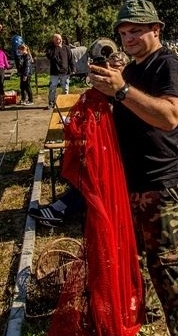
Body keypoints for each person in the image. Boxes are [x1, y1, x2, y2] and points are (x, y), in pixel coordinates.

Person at [89, 0, 178, 336]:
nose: (128, 38)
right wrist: (108, 87)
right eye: (124, 33)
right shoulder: (133, 69)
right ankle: (148, 315)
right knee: (138, 267)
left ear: (156, 29)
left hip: (161, 193)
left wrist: (121, 90)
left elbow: (169, 116)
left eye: (136, 31)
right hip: (130, 190)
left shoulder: (169, 67)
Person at [29, 51, 130, 227]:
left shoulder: (127, 93)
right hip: (103, 148)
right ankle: (60, 207)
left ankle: (60, 210)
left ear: (125, 69)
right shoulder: (102, 91)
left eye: (117, 67)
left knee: (94, 175)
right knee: (86, 168)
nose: (111, 71)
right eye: (109, 67)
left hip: (121, 154)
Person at [46, 33, 75, 109]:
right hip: (54, 72)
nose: (57, 41)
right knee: (52, 89)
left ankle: (64, 103)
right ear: (53, 40)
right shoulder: (50, 48)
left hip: (65, 72)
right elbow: (50, 56)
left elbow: (71, 59)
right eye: (55, 39)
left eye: (59, 39)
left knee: (65, 89)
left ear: (61, 39)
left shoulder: (67, 48)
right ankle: (51, 103)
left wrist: (73, 69)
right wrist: (56, 48)